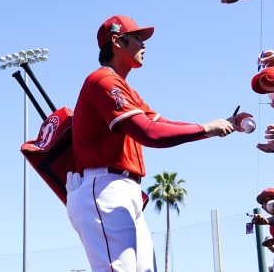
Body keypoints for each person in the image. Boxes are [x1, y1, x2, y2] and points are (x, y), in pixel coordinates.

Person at [66, 15, 248, 272]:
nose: (144, 44)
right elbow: (150, 134)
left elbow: (162, 123)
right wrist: (206, 129)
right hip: (103, 187)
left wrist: (216, 126)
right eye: (138, 37)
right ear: (117, 41)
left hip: (122, 188)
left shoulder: (124, 88)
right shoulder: (103, 81)